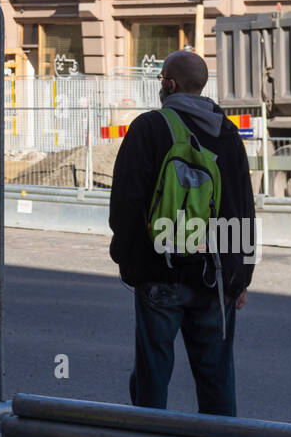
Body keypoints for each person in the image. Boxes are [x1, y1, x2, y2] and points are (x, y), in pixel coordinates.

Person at [108, 49, 256, 417]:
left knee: (152, 376)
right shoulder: (227, 132)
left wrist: (131, 265)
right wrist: (241, 277)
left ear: (170, 84)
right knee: (217, 377)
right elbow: (241, 208)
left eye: (162, 80)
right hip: (216, 276)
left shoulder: (150, 127)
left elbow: (125, 203)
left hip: (161, 271)